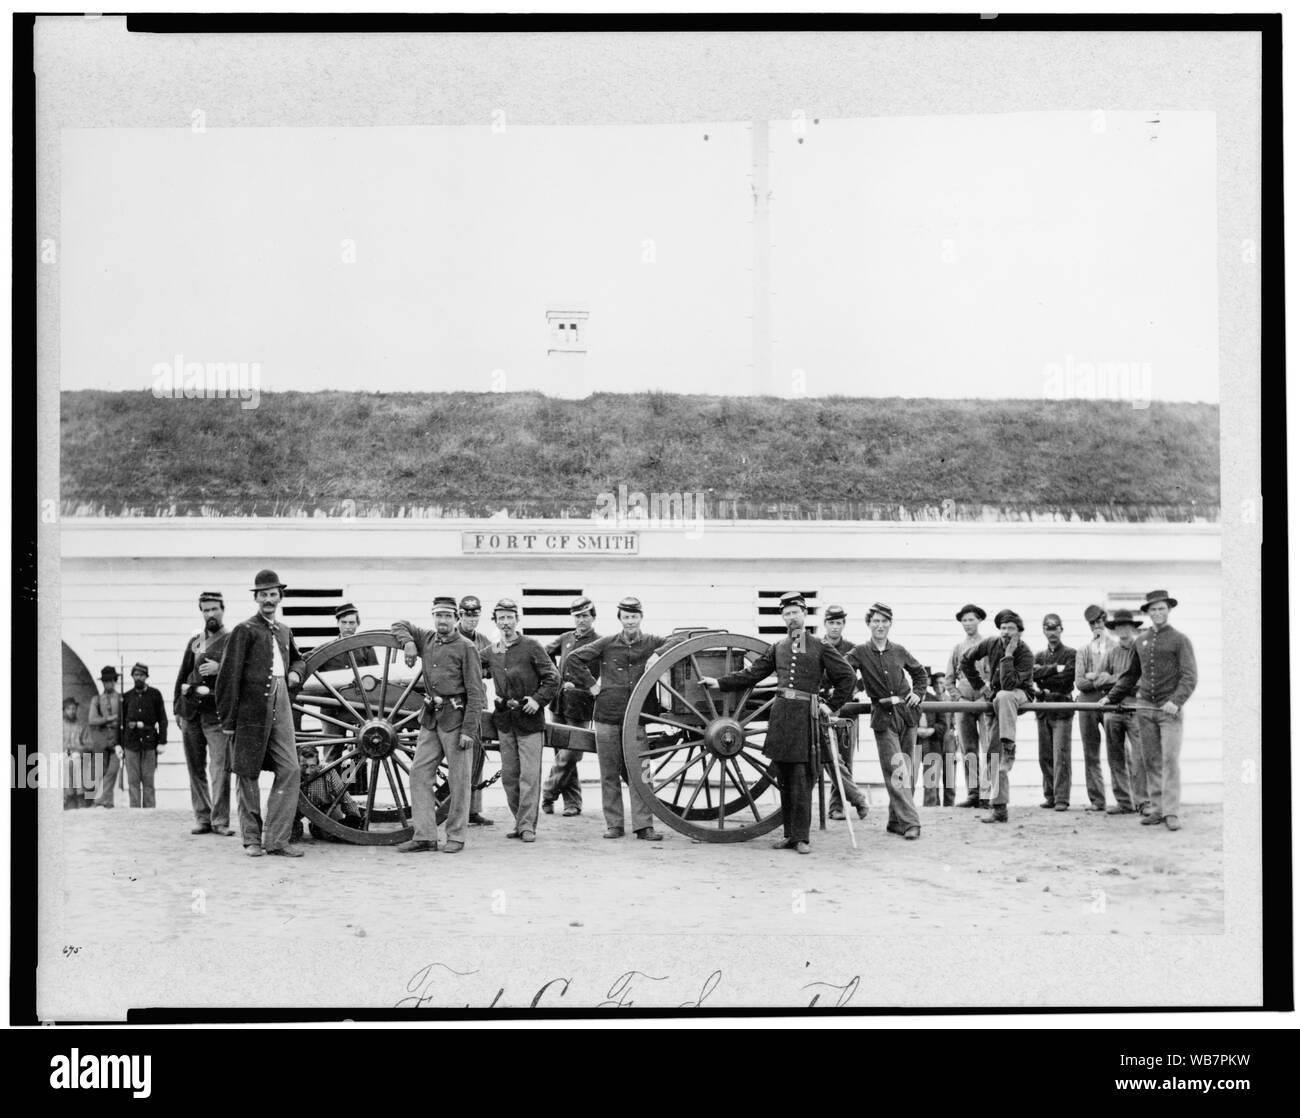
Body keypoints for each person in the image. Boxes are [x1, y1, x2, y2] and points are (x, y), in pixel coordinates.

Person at [701, 592, 856, 854]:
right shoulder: (778, 648)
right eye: (787, 614)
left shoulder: (820, 646)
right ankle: (788, 835)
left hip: (806, 717)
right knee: (783, 776)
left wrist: (831, 704)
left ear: (804, 615)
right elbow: (752, 674)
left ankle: (802, 837)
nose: (791, 618)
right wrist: (720, 683)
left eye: (795, 612)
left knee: (802, 778)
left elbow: (847, 676)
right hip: (782, 715)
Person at [567, 596, 692, 842]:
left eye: (634, 617)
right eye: (626, 617)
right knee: (609, 773)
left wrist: (658, 654)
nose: (630, 622)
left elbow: (682, 638)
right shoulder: (607, 643)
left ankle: (644, 826)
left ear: (640, 618)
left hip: (637, 718)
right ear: (620, 619)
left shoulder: (651, 642)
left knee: (641, 772)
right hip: (607, 715)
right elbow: (574, 659)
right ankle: (614, 825)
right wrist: (592, 686)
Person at [216, 569, 307, 858]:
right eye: (263, 595)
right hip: (250, 709)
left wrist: (294, 672)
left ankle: (278, 839)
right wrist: (229, 722)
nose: (269, 600)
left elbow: (299, 660)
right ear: (256, 598)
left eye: (273, 594)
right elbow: (228, 678)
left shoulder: (283, 630)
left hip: (281, 703)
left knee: (291, 769)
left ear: (280, 597)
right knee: (247, 772)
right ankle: (252, 840)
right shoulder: (244, 630)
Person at [390, 595, 486, 854]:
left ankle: (456, 836)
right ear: (433, 617)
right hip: (431, 718)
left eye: (447, 616)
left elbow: (476, 693)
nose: (442, 620)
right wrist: (409, 643)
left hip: (456, 720)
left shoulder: (467, 647)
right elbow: (399, 625)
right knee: (419, 773)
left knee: (459, 781)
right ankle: (425, 836)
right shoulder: (427, 639)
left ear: (456, 619)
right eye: (438, 615)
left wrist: (468, 730)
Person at [1099, 591, 1197, 831]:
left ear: (1169, 610)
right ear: (1147, 613)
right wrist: (1110, 698)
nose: (1158, 613)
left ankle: (1171, 812)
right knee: (1151, 759)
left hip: (1169, 711)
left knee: (1169, 759)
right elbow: (1131, 675)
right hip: (1145, 709)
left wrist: (1177, 700)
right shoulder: (1140, 641)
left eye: (1161, 609)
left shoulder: (1180, 639)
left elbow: (1189, 676)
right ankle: (1157, 808)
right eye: (1153, 610)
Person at [843, 604, 929, 839]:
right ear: (868, 624)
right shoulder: (859, 651)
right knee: (895, 768)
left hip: (908, 713)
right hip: (882, 716)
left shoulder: (899, 650)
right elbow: (842, 669)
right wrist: (849, 689)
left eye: (884, 621)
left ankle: (895, 821)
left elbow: (920, 673)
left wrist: (918, 693)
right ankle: (912, 823)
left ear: (890, 623)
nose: (880, 625)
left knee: (906, 769)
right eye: (875, 621)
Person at [482, 598, 558, 843]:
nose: (506, 623)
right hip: (505, 720)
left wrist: (537, 700)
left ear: (517, 620)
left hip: (528, 719)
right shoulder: (493, 650)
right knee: (509, 777)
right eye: (501, 618)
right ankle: (519, 821)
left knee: (529, 777)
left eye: (509, 617)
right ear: (495, 621)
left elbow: (552, 678)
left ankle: (527, 826)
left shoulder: (532, 646)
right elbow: (470, 661)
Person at [960, 610, 1034, 823]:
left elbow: (1010, 685)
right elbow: (966, 661)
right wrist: (981, 686)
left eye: (1011, 628)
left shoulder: (1025, 652)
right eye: (1003, 628)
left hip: (1019, 695)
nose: (1006, 632)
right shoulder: (990, 643)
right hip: (996, 700)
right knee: (993, 752)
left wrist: (1009, 655)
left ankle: (1009, 745)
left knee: (1004, 695)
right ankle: (999, 808)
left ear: (1019, 632)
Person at [174, 591, 235, 836]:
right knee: (195, 768)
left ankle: (220, 821)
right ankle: (202, 817)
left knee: (220, 768)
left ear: (222, 609)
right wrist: (177, 708)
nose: (210, 614)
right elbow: (183, 674)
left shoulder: (231, 640)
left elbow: (238, 674)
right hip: (190, 713)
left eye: (214, 609)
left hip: (215, 714)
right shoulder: (196, 641)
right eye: (205, 610)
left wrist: (220, 668)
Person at [541, 596, 599, 816]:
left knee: (573, 753)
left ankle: (548, 791)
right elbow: (543, 654)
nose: (581, 620)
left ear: (593, 617)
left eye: (585, 616)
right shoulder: (565, 638)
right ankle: (572, 803)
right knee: (561, 753)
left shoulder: (599, 641)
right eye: (577, 617)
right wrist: (555, 676)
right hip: (559, 703)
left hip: (582, 703)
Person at [1093, 609, 1149, 816]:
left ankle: (1143, 802)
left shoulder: (1142, 651)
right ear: (1115, 631)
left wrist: (1119, 681)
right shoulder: (1111, 653)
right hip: (1112, 711)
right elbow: (1097, 679)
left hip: (1135, 709)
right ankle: (1124, 802)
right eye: (1119, 627)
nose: (1123, 631)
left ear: (1133, 629)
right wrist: (1122, 681)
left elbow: (1143, 681)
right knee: (1115, 757)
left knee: (1140, 757)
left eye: (1127, 627)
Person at [819, 604, 869, 821]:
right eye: (831, 623)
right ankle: (855, 799)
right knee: (830, 756)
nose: (835, 628)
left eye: (839, 623)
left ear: (843, 625)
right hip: (822, 708)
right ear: (825, 624)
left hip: (846, 710)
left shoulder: (852, 648)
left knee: (845, 760)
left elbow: (868, 676)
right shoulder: (815, 645)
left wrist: (851, 688)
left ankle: (836, 807)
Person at [456, 595, 496, 827]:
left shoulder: (483, 640)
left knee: (477, 755)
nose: (471, 619)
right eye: (466, 615)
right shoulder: (452, 638)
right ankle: (452, 808)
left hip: (477, 702)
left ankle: (473, 810)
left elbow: (492, 668)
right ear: (460, 615)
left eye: (475, 615)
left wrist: (482, 672)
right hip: (455, 703)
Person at [946, 604, 991, 808]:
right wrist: (958, 699)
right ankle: (973, 794)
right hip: (964, 702)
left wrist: (987, 698)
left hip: (984, 701)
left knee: (990, 747)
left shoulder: (989, 645)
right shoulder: (958, 648)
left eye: (971, 619)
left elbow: (994, 676)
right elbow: (949, 680)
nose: (967, 624)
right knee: (968, 749)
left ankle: (989, 794)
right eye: (964, 620)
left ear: (979, 620)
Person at [1074, 604, 1118, 812]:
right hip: (1088, 703)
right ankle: (1097, 800)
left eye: (1100, 621)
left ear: (1106, 621)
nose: (1097, 626)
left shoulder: (1116, 648)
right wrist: (1102, 679)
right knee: (1090, 752)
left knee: (1118, 750)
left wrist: (1099, 678)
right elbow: (1080, 683)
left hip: (1111, 701)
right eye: (1093, 623)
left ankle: (1127, 799)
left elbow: (1121, 678)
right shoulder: (1083, 651)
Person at [1032, 613, 1077, 812]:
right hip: (1043, 711)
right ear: (1043, 631)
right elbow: (1033, 675)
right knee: (1045, 756)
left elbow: (1067, 678)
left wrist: (1046, 678)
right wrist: (1053, 669)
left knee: (1061, 755)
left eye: (1055, 628)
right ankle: (1049, 795)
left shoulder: (1071, 654)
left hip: (1061, 708)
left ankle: (1061, 798)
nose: (1052, 632)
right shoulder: (1038, 656)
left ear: (1061, 629)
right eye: (1048, 628)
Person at [293, 744, 365, 841]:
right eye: (304, 766)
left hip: (324, 809)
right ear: (297, 764)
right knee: (292, 834)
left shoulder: (328, 771)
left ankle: (316, 828)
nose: (308, 771)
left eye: (312, 766)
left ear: (318, 765)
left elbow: (343, 796)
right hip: (297, 810)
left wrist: (354, 817)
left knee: (334, 833)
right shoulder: (292, 771)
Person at [122, 663, 167, 809]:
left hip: (149, 743)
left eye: (141, 675)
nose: (138, 678)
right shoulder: (127, 697)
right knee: (133, 783)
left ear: (146, 676)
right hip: (131, 744)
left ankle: (150, 816)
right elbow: (120, 722)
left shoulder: (155, 694)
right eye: (136, 675)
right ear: (132, 676)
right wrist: (119, 744)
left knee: (148, 783)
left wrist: (162, 741)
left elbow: (163, 719)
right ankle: (134, 816)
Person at [918, 668, 955, 807]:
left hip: (945, 739)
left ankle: (949, 804)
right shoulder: (923, 698)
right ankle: (932, 804)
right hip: (928, 740)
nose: (939, 686)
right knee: (931, 775)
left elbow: (947, 723)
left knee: (948, 774)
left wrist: (933, 730)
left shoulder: (949, 700)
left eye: (942, 683)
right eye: (936, 684)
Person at [87, 666, 123, 808]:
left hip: (116, 739)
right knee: (98, 772)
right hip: (101, 739)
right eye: (105, 681)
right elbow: (92, 719)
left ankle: (101, 801)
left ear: (115, 681)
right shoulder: (97, 700)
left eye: (110, 681)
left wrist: (110, 720)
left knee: (113, 771)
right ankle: (102, 802)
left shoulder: (121, 698)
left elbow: (123, 719)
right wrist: (110, 718)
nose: (108, 684)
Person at [318, 603, 380, 673]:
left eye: (351, 623)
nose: (347, 627)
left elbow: (375, 676)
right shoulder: (325, 649)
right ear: (338, 623)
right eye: (344, 622)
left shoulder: (367, 650)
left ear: (358, 624)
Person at [62, 697, 89, 809]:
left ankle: (79, 796)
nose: (72, 711)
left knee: (76, 761)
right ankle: (69, 797)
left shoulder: (80, 725)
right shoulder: (60, 724)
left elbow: (88, 743)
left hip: (77, 754)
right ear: (64, 710)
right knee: (66, 762)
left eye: (74, 708)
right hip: (62, 754)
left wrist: (78, 749)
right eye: (69, 709)